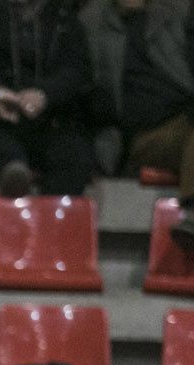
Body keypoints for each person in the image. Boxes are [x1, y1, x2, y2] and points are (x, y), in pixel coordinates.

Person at [0, 0, 96, 197]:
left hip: (45, 118)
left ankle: (53, 221)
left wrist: (44, 95)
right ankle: (11, 172)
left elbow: (79, 69)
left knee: (73, 153)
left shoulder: (62, 16)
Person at [80, 0, 194, 250]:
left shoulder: (179, 10)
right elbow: (88, 89)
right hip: (139, 134)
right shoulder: (93, 20)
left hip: (184, 117)